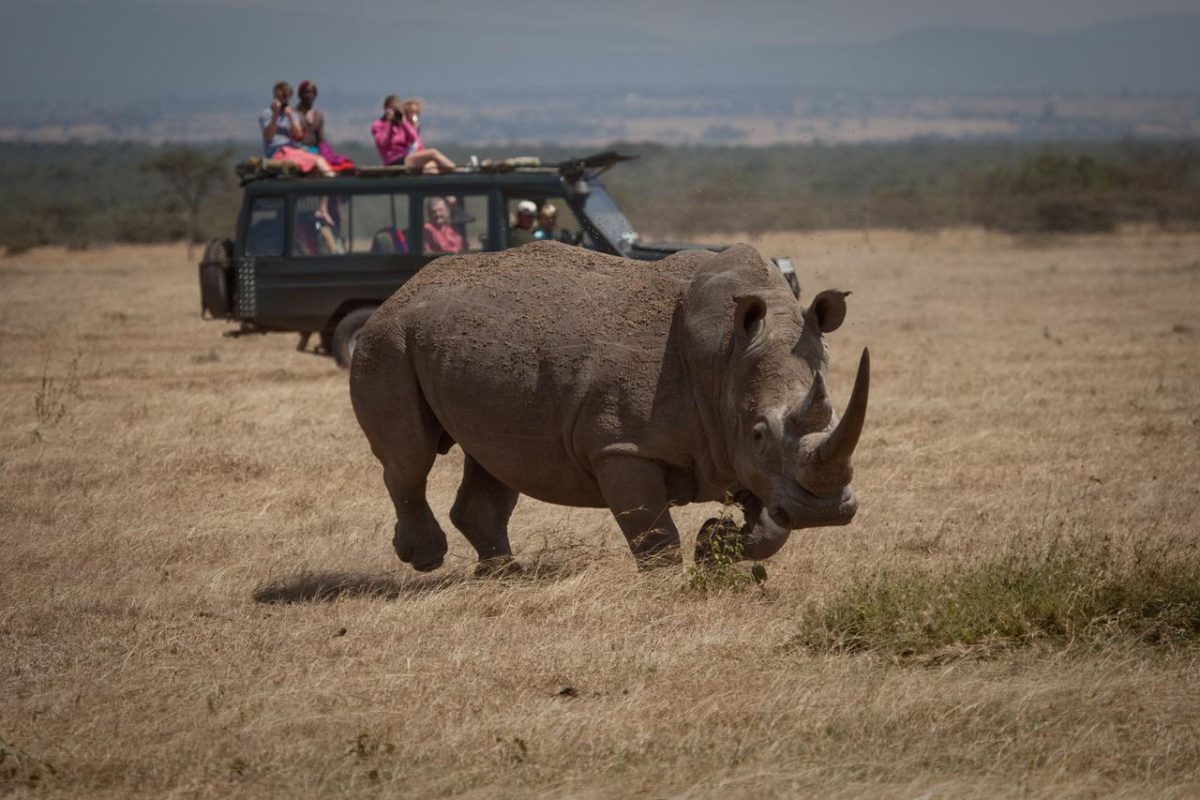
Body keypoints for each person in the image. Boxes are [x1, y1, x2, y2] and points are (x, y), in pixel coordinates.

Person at [259, 81, 335, 177]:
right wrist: (275, 115)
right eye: (278, 97)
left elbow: (298, 135)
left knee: (319, 160)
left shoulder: (293, 114)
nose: (280, 100)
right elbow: (269, 137)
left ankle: (333, 186)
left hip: (292, 150)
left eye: (284, 97)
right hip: (277, 152)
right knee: (313, 161)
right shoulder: (267, 114)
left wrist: (290, 117)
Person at [371, 95, 456, 173]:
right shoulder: (378, 125)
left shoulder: (400, 124)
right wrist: (389, 123)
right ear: (385, 109)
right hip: (394, 161)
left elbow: (414, 138)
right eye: (392, 109)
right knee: (433, 153)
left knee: (432, 168)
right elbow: (382, 142)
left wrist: (403, 122)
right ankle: (458, 171)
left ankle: (453, 182)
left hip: (407, 158)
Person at [294, 80, 355, 172]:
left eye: (312, 92)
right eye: (306, 92)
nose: (309, 95)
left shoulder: (318, 116)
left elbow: (320, 139)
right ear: (300, 94)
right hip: (298, 150)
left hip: (314, 150)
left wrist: (326, 152)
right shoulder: (293, 114)